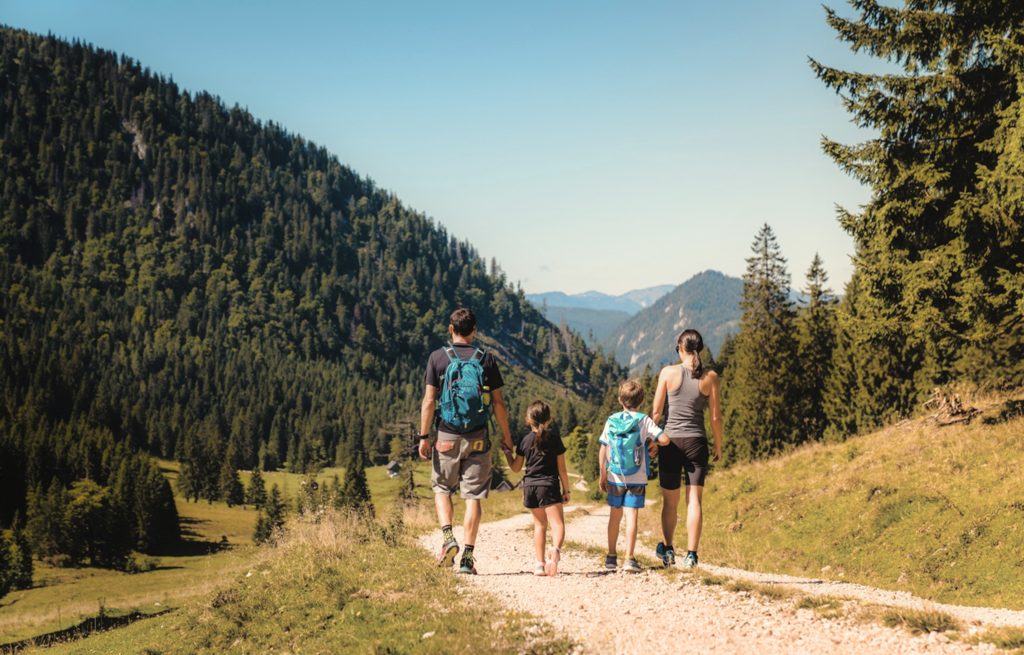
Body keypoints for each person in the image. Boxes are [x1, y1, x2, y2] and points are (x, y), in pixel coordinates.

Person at [419, 308, 514, 575]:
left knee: (442, 488)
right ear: (474, 331)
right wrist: (507, 438)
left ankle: (448, 537)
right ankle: (467, 559)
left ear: (451, 329)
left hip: (446, 436)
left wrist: (424, 437)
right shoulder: (486, 360)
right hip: (478, 437)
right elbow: (498, 404)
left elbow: (429, 401)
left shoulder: (437, 358)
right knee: (473, 497)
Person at [651, 329, 724, 569]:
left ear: (680, 348)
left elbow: (656, 413)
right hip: (696, 443)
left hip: (670, 442)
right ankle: (691, 555)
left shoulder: (667, 373)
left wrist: (652, 441)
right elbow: (715, 418)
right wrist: (718, 444)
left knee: (670, 502)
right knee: (694, 501)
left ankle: (668, 550)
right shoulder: (711, 377)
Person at [599, 379, 668, 573]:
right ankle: (629, 559)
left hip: (614, 476)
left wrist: (603, 474)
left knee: (614, 517)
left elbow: (603, 449)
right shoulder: (643, 420)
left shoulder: (612, 420)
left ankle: (611, 557)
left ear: (620, 400)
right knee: (631, 517)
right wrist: (653, 443)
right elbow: (665, 439)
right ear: (641, 401)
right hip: (637, 477)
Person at [505, 400, 570, 576]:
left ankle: (539, 564)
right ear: (549, 419)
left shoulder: (524, 440)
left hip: (530, 487)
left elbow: (516, 468)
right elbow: (562, 470)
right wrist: (566, 490)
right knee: (557, 524)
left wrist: (507, 454)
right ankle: (555, 550)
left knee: (539, 525)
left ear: (528, 419)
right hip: (548, 486)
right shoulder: (554, 439)